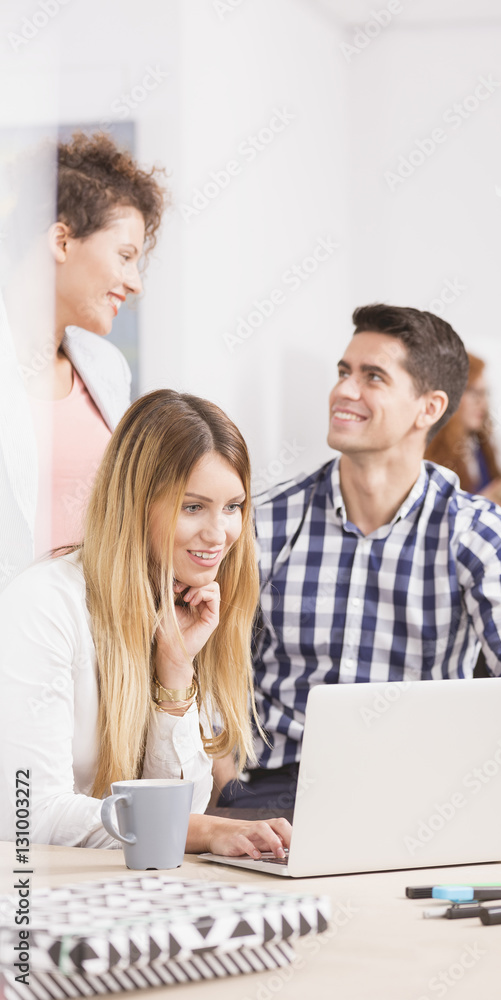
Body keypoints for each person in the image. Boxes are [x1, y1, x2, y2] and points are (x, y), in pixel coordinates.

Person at [219, 304, 501, 829]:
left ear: (429, 407)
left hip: (417, 798)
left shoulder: (475, 530)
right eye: (343, 372)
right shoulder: (266, 522)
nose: (344, 391)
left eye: (372, 377)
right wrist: (224, 790)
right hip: (274, 795)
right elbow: (216, 666)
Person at [0, 389, 290, 858]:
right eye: (192, 507)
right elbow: (32, 815)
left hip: (127, 886)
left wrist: (175, 668)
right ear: (136, 504)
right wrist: (206, 832)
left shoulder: (186, 606)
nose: (219, 535)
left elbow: (182, 807)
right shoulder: (43, 606)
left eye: (233, 507)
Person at [0, 130, 166, 589]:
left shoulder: (106, 367)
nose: (135, 283)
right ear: (62, 240)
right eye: (125, 256)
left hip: (88, 634)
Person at [425, 353, 501, 492]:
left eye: (484, 393)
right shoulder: (427, 455)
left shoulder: (480, 448)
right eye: (474, 393)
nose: (482, 404)